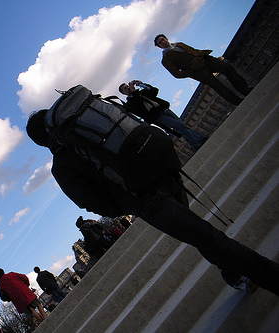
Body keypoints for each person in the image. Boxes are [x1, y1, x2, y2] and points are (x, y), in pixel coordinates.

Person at [26, 109, 279, 296]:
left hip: (146, 200)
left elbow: (92, 202)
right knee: (200, 233)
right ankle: (232, 272)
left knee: (207, 237)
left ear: (41, 142)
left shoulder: (62, 165)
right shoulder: (88, 125)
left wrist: (129, 204)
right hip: (161, 169)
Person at [154, 34, 252, 105]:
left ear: (166, 38)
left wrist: (202, 53)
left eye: (163, 39)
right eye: (160, 42)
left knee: (227, 68)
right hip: (198, 71)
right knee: (217, 85)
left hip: (205, 60)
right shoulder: (166, 59)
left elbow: (192, 50)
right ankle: (237, 101)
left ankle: (244, 89)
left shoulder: (179, 44)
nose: (163, 42)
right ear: (159, 47)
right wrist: (192, 73)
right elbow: (176, 73)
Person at [119, 80, 207, 150]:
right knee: (179, 126)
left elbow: (154, 91)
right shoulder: (130, 103)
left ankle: (196, 145)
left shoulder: (141, 92)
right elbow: (139, 105)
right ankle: (200, 139)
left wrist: (142, 84)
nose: (128, 88)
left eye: (127, 86)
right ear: (123, 93)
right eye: (125, 88)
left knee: (181, 127)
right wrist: (134, 92)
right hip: (158, 117)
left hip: (163, 109)